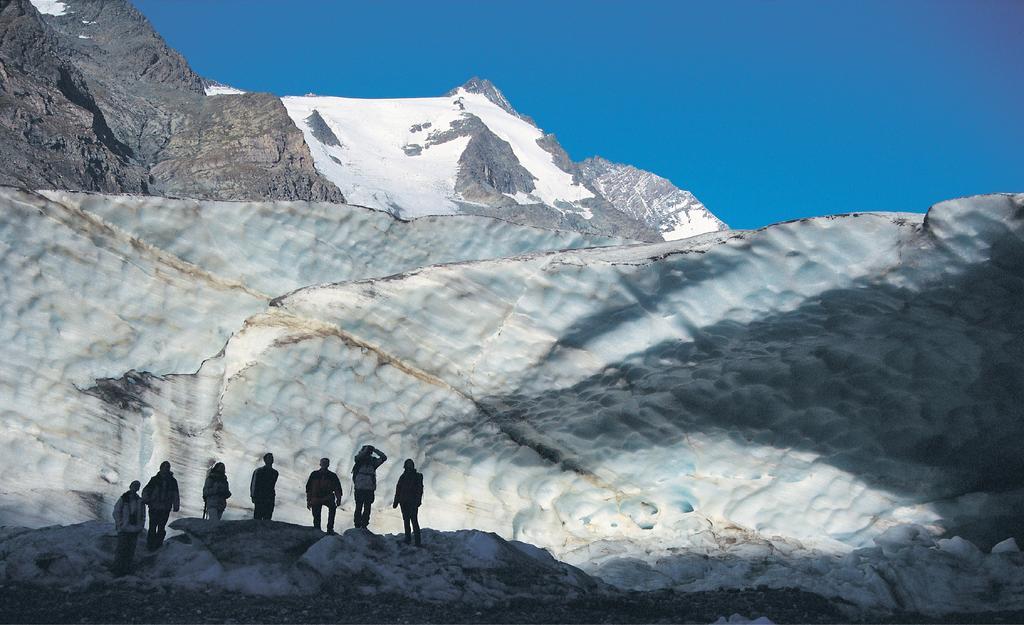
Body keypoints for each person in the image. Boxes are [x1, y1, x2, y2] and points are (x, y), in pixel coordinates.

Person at [141, 461, 180, 550]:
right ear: (161, 468)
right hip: (154, 506)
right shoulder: (154, 479)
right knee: (152, 526)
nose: (165, 469)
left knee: (161, 527)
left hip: (165, 508)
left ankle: (158, 545)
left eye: (167, 468)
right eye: (164, 467)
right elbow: (146, 490)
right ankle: (150, 545)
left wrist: (176, 505)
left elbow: (175, 494)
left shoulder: (172, 481)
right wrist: (146, 499)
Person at [111, 480, 146, 576]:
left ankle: (126, 569)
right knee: (121, 549)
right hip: (124, 528)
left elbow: (143, 515)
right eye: (134, 486)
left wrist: (140, 526)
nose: (135, 488)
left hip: (134, 529)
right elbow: (116, 512)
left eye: (137, 486)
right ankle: (117, 569)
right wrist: (120, 523)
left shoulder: (140, 501)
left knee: (130, 550)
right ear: (130, 486)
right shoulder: (123, 498)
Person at [351, 445, 387, 529]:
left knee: (366, 507)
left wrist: (374, 450)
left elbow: (384, 458)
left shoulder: (372, 462)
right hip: (363, 488)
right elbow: (358, 457)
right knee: (360, 507)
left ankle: (363, 524)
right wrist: (369, 450)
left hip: (366, 488)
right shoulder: (359, 460)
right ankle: (358, 524)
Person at [305, 458, 343, 534]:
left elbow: (337, 488)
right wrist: (309, 500)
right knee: (316, 514)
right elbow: (309, 488)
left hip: (327, 497)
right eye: (323, 462)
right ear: (320, 464)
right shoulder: (314, 474)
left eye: (326, 463)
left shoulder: (332, 475)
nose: (324, 464)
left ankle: (329, 529)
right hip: (316, 497)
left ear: (328, 464)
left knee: (332, 508)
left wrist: (338, 499)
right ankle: (317, 529)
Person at [392, 459, 424, 546]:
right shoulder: (403, 477)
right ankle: (409, 538)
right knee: (407, 520)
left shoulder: (417, 476)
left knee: (413, 521)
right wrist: (396, 501)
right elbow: (398, 489)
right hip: (404, 502)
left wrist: (418, 500)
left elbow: (419, 490)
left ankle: (416, 541)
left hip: (411, 502)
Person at [250, 452, 279, 520]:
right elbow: (254, 484)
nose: (271, 460)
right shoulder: (259, 471)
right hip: (260, 498)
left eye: (272, 458)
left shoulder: (275, 473)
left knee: (267, 517)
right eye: (269, 458)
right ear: (265, 460)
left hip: (269, 498)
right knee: (258, 518)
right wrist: (253, 496)